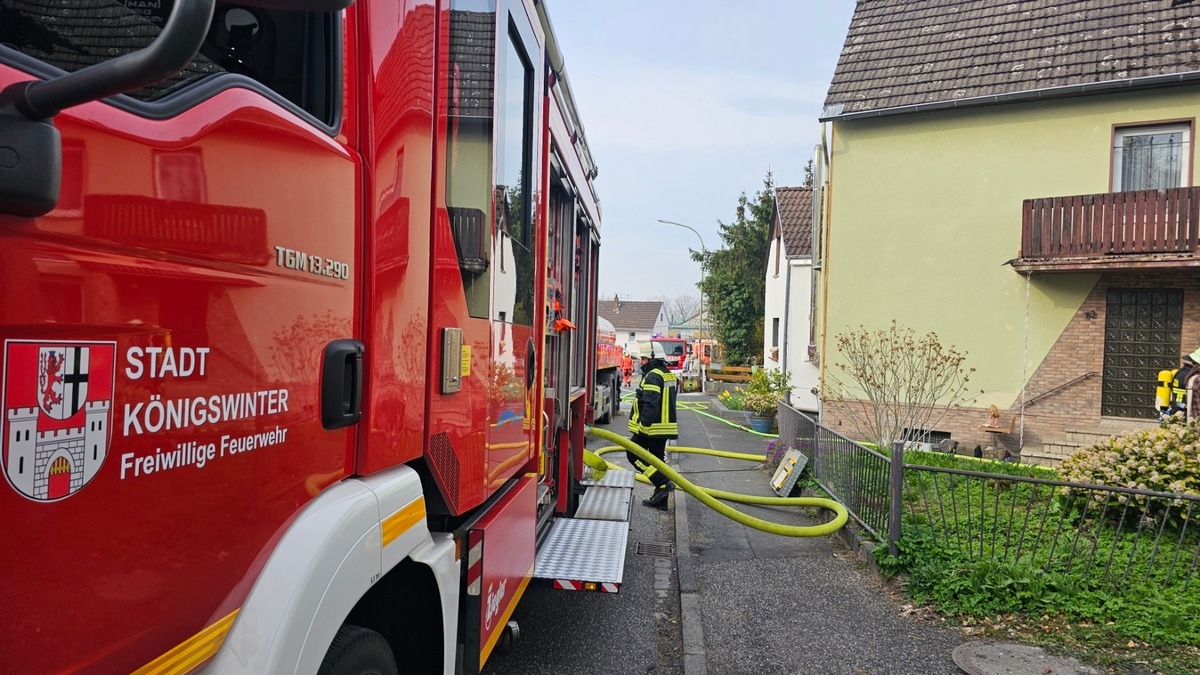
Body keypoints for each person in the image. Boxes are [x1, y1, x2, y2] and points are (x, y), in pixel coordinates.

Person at [628, 342, 678, 509]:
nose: (641, 362)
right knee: (657, 460)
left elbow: (651, 404)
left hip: (651, 428)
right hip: (664, 427)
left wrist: (643, 428)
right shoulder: (668, 374)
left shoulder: (652, 376)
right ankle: (661, 500)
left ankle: (663, 482)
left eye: (643, 359)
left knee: (632, 454)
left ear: (652, 358)